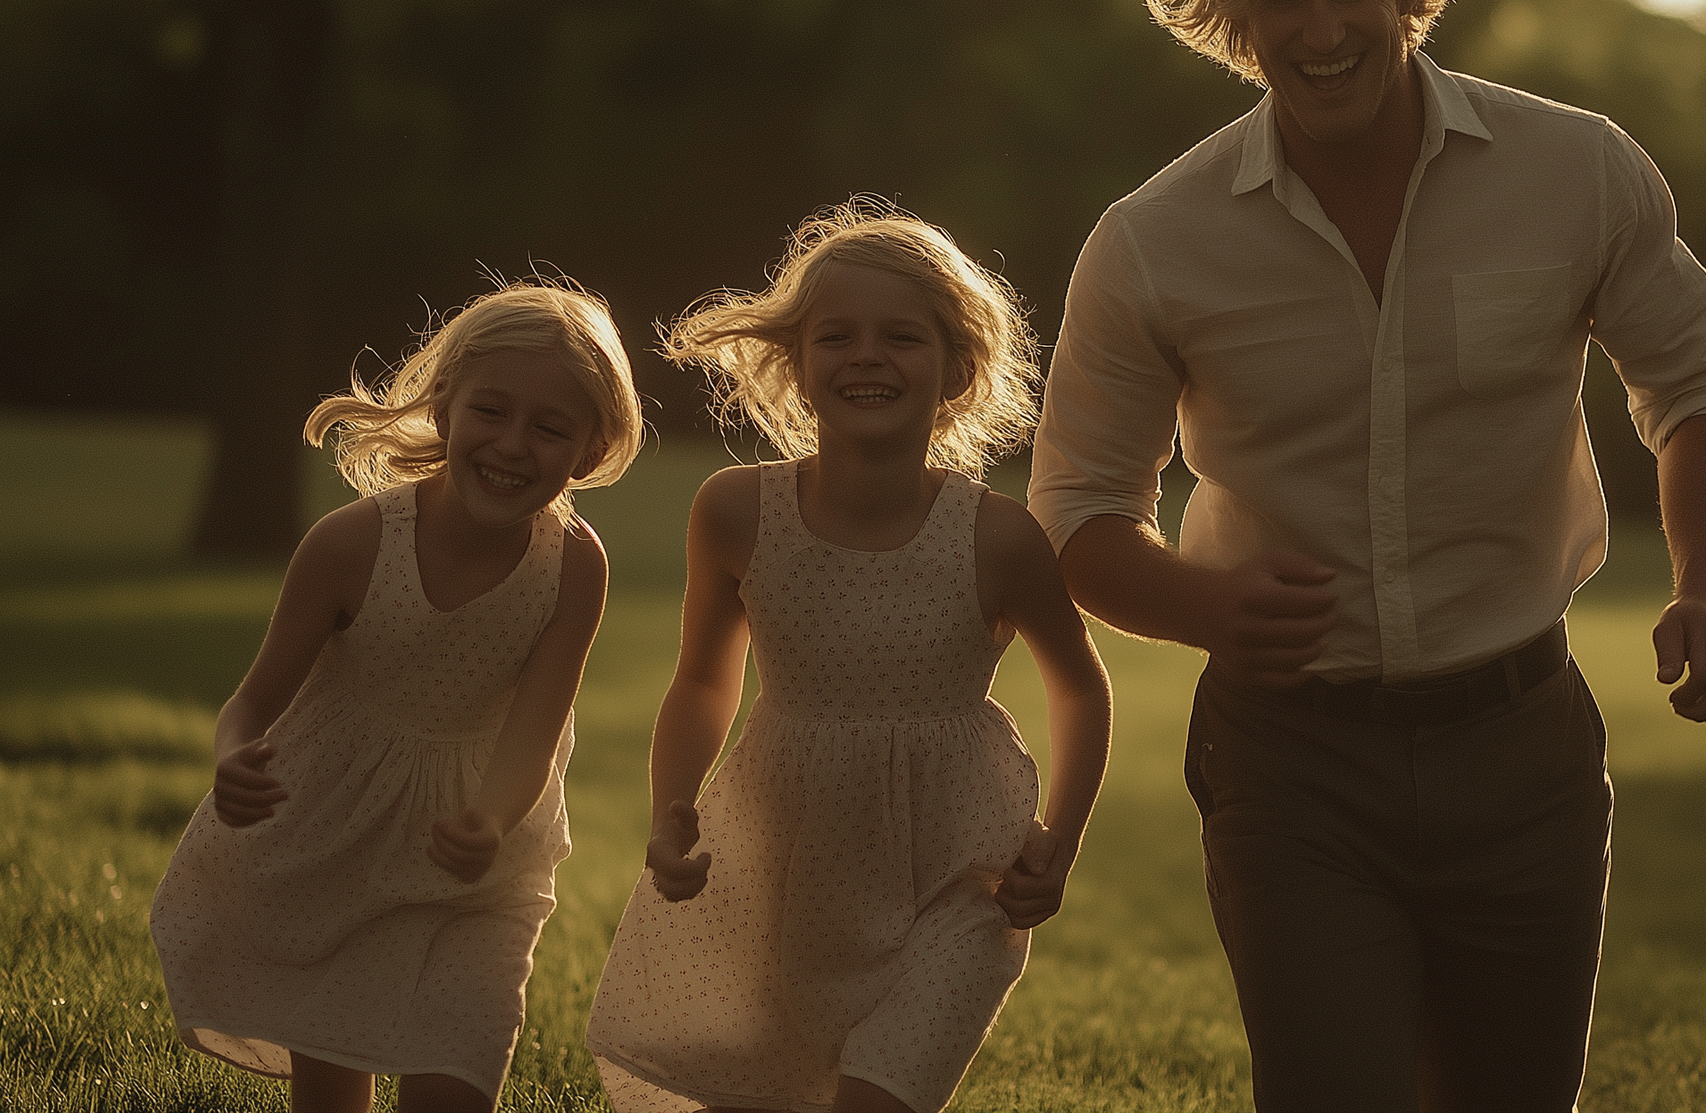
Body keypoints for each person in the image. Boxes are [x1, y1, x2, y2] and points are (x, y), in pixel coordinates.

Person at [1027, 0, 1706, 1112]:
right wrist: (1208, 607)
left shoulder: (1576, 170)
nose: (1320, 32)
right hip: (1292, 763)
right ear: (1231, 12)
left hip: (1523, 744)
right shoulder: (1154, 241)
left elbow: (1699, 387)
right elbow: (1080, 512)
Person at [587, 202, 1113, 1113]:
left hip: (957, 882)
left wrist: (1057, 842)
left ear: (957, 368)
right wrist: (672, 808)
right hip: (786, 871)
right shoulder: (737, 513)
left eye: (902, 336)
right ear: (795, 365)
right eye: (836, 336)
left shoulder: (996, 539)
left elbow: (1079, 686)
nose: (867, 355)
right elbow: (704, 681)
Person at [150, 278, 646, 1113]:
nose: (514, 445)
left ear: (589, 453)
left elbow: (536, 731)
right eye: (492, 412)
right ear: (444, 410)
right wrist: (232, 758)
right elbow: (251, 702)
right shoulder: (352, 545)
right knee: (334, 1091)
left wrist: (489, 818)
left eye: (550, 427)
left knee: (459, 1072)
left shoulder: (573, 569)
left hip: (482, 859)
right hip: (335, 839)